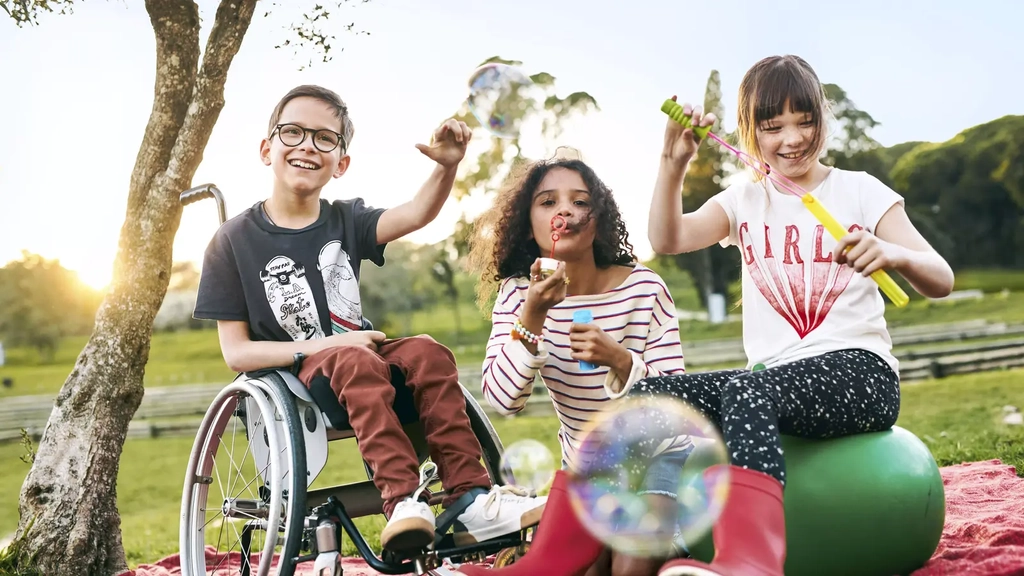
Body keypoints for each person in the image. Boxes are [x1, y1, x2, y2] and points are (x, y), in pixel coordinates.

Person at [192, 84, 545, 554]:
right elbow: (236, 352)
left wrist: (447, 166)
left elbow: (417, 213)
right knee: (354, 358)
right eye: (292, 132)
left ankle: (471, 496)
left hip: (366, 359)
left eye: (324, 138)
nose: (306, 146)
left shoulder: (346, 220)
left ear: (341, 163)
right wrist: (329, 347)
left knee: (427, 351)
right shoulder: (231, 240)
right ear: (266, 148)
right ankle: (402, 501)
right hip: (299, 378)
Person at [637, 55, 955, 576]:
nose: (792, 138)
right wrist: (673, 165)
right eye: (773, 126)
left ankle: (750, 561)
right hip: (773, 383)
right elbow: (668, 238)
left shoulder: (859, 190)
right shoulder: (744, 201)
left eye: (805, 121)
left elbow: (940, 277)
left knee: (747, 391)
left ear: (823, 118)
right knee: (645, 398)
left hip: (861, 374)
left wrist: (891, 253)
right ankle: (578, 556)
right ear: (750, 131)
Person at [455, 148, 689, 576]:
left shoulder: (644, 289)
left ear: (597, 218)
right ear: (530, 225)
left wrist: (620, 360)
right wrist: (532, 316)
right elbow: (504, 401)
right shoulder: (517, 296)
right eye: (548, 202)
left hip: (659, 456)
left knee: (630, 564)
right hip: (587, 469)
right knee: (587, 567)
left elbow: (679, 402)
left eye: (581, 201)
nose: (565, 210)